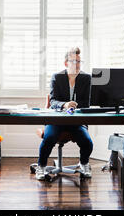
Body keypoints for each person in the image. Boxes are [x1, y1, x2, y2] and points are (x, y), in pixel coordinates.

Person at [36, 47, 94, 180]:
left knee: (87, 142)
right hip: (57, 120)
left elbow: (87, 102)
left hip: (76, 120)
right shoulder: (57, 77)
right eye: (74, 61)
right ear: (66, 63)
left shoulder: (86, 78)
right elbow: (53, 100)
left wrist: (73, 107)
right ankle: (41, 166)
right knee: (49, 138)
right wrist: (65, 104)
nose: (77, 64)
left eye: (79, 61)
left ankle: (84, 163)